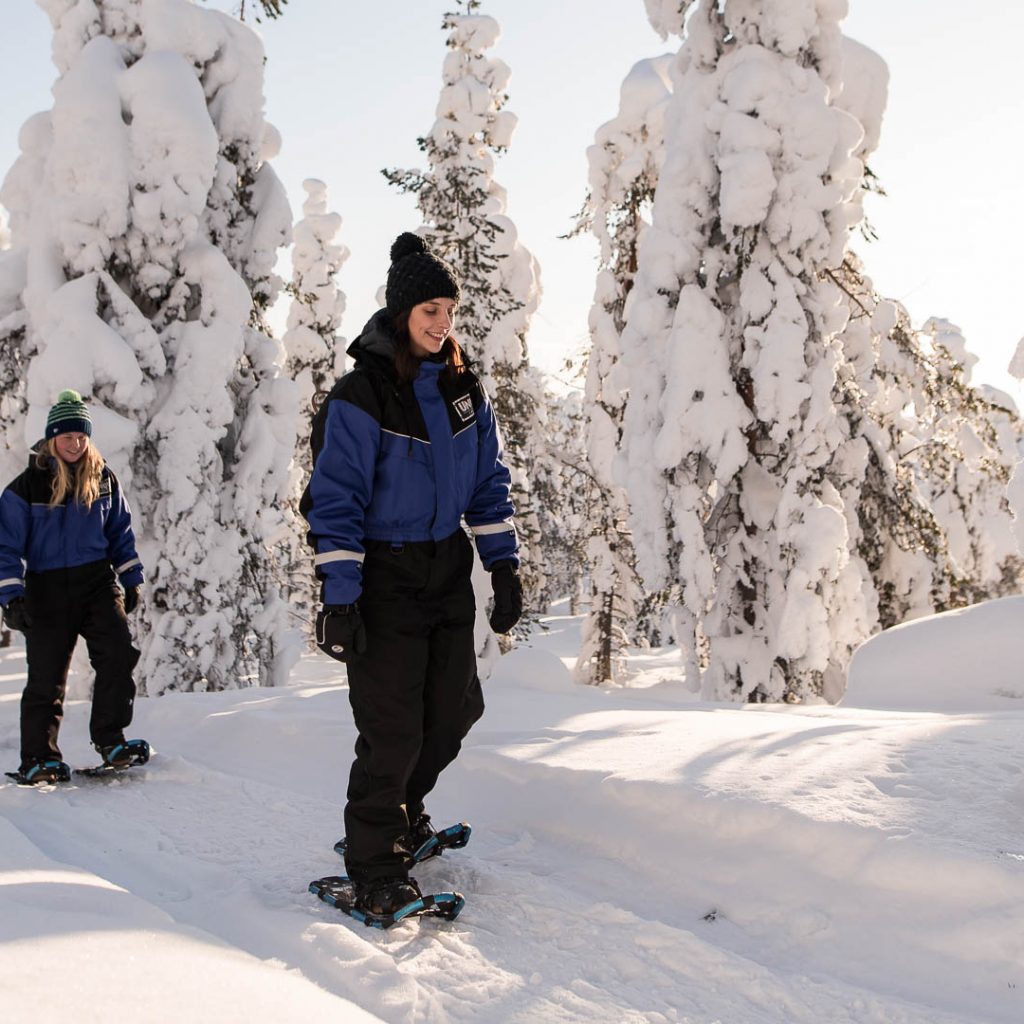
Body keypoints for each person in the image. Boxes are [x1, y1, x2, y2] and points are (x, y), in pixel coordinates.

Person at [301, 232, 523, 917]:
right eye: (429, 309)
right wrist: (341, 598)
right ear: (401, 313)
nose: (441, 322)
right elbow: (335, 500)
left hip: (445, 570)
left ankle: (402, 814)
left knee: (454, 711)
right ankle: (374, 866)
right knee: (392, 726)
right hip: (384, 577)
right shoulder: (363, 395)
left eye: (448, 310)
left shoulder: (462, 390)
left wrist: (504, 564)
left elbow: (486, 482)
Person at [0, 390, 145, 784]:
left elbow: (120, 534)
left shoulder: (103, 480)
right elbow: (6, 547)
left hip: (97, 582)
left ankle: (111, 739)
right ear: (51, 439)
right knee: (47, 677)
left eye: (81, 437)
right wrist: (11, 597)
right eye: (67, 437)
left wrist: (131, 578)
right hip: (46, 589)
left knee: (117, 654)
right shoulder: (25, 489)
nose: (75, 444)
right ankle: (38, 757)